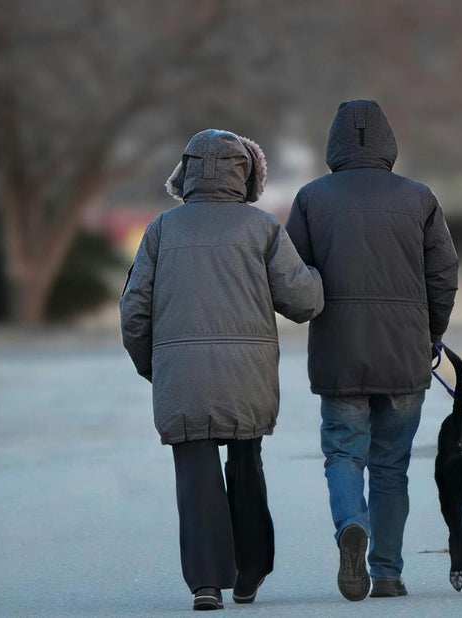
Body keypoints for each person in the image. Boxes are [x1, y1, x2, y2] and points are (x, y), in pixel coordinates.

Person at [120, 129, 323, 611]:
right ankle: (250, 573)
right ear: (246, 174)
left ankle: (207, 584)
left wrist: (156, 366)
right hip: (246, 375)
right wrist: (317, 273)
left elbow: (134, 311)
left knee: (195, 477)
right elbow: (304, 301)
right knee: (246, 465)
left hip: (182, 375)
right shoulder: (263, 228)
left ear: (185, 171)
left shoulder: (161, 229)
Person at [286, 100, 460, 601]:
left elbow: (293, 276)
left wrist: (312, 313)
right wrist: (432, 331)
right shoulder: (419, 198)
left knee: (343, 450)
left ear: (333, 145)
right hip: (404, 352)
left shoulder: (310, 199)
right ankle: (386, 572)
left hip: (339, 351)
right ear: (387, 143)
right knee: (391, 466)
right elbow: (444, 273)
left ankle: (349, 526)